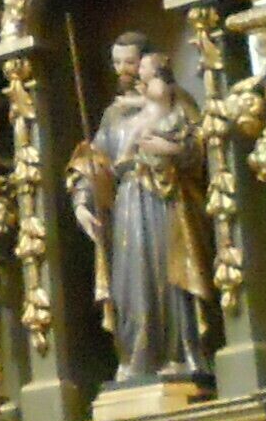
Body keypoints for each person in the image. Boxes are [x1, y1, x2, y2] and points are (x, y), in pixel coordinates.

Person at [68, 33, 214, 386]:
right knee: (130, 287)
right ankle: (137, 360)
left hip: (168, 202)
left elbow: (202, 147)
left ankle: (181, 355)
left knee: (171, 278)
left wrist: (172, 151)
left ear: (147, 62)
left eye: (130, 63)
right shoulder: (114, 115)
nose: (123, 70)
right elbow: (96, 161)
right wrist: (82, 200)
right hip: (128, 207)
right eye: (116, 63)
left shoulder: (178, 103)